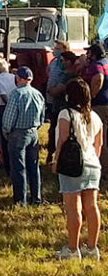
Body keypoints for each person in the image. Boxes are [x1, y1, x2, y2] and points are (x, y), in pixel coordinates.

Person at [53, 79, 102, 260]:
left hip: (73, 165)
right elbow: (99, 145)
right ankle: (92, 248)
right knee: (92, 206)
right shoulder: (94, 117)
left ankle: (73, 249)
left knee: (73, 208)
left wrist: (56, 159)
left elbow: (63, 139)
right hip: (93, 164)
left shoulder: (66, 114)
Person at [1, 66, 45, 206]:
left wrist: (6, 130)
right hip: (33, 132)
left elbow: (9, 115)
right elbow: (42, 115)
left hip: (18, 133)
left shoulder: (16, 94)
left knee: (19, 168)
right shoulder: (38, 94)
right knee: (34, 166)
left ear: (19, 78)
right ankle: (36, 198)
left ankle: (21, 200)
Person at [47, 51, 80, 163]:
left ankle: (55, 155)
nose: (59, 63)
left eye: (61, 61)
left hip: (62, 108)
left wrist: (50, 89)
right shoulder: (62, 74)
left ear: (69, 62)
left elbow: (56, 91)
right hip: (58, 107)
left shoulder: (69, 76)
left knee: (56, 132)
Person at [84, 43, 108, 180]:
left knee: (100, 138)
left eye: (89, 53)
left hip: (100, 105)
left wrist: (91, 96)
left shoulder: (96, 65)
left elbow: (99, 77)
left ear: (94, 54)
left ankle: (103, 170)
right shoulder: (106, 62)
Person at [0, 58, 17, 173]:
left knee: (4, 138)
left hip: (3, 108)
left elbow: (3, 96)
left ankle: (7, 166)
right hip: (17, 107)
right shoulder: (14, 77)